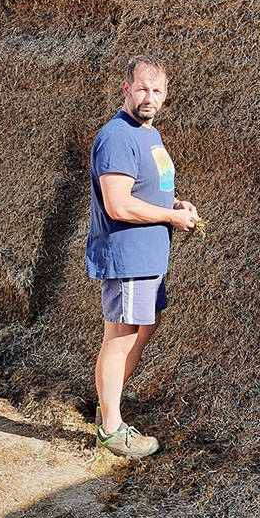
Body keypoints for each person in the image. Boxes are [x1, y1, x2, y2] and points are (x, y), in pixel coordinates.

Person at [86, 55, 199, 458]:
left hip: (149, 256)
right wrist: (170, 215)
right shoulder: (118, 136)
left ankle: (107, 402)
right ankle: (112, 429)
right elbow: (118, 205)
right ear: (125, 90)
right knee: (121, 338)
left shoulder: (148, 134)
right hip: (128, 254)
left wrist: (175, 202)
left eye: (157, 91)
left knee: (141, 330)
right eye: (142, 89)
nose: (149, 97)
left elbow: (146, 188)